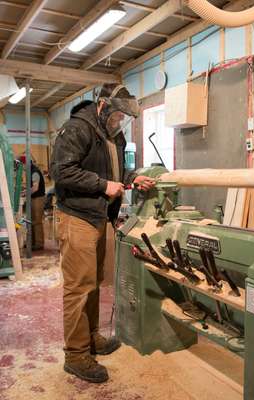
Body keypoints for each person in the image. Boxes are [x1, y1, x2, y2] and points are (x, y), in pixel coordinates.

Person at [50, 83, 155, 384]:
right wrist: (102, 185)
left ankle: (92, 337)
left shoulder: (114, 136)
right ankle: (76, 354)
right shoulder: (77, 129)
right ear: (103, 107)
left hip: (99, 217)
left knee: (93, 283)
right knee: (78, 287)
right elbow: (62, 171)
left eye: (124, 117)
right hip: (77, 217)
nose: (120, 121)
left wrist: (134, 177)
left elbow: (116, 173)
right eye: (117, 115)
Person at [20, 155, 45, 251]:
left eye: (22, 166)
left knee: (37, 221)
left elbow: (35, 188)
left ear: (26, 164)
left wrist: (25, 193)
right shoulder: (30, 172)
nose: (23, 169)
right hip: (33, 198)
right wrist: (24, 192)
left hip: (38, 198)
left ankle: (39, 243)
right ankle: (32, 242)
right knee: (32, 221)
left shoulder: (34, 172)